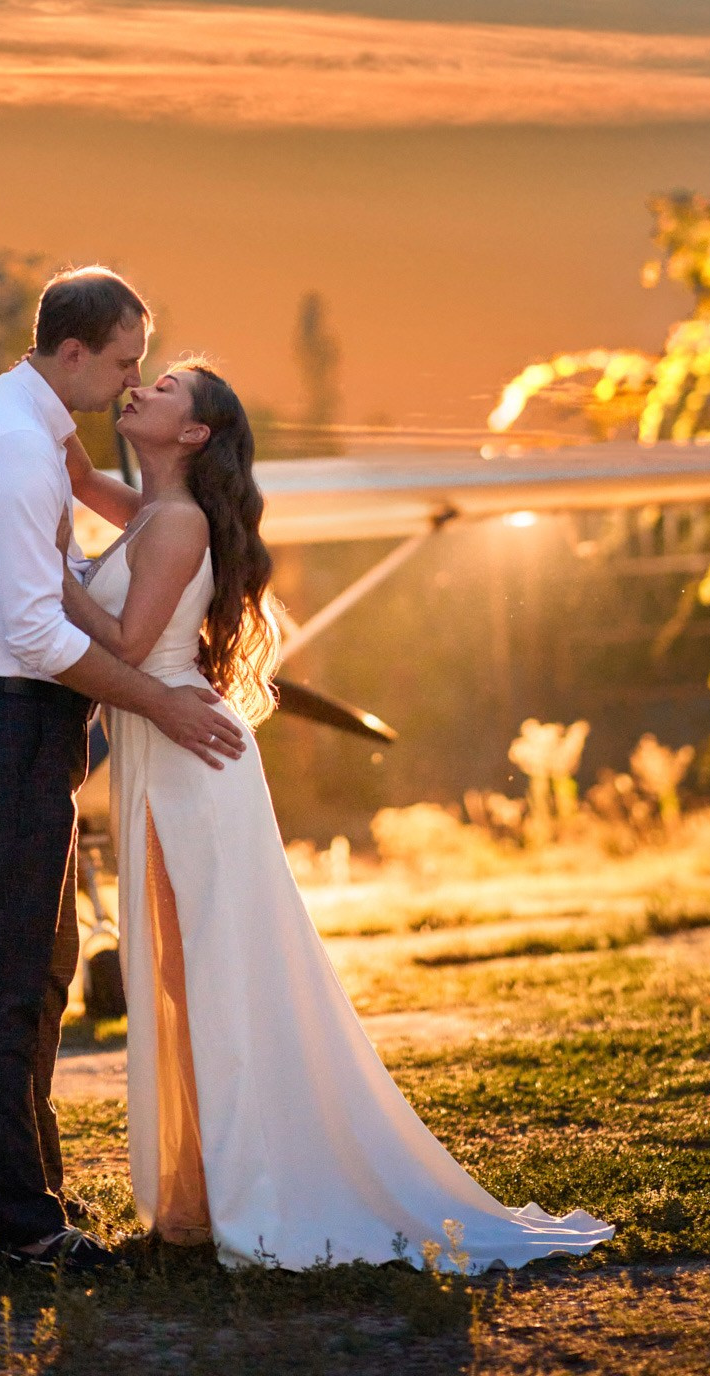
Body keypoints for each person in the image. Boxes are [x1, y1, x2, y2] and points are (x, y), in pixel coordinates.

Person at [61, 359, 614, 1274]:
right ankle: (204, 1188)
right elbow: (101, 497)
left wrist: (43, 574)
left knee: (206, 972)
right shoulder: (159, 514)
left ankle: (245, 1188)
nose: (141, 389)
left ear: (193, 435)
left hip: (186, 759)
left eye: (163, 388)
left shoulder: (182, 522)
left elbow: (119, 642)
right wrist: (66, 471)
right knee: (180, 974)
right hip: (171, 752)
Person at [0, 267, 244, 1272]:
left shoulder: (29, 425)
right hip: (6, 720)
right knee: (7, 986)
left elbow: (89, 516)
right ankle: (25, 1231)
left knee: (44, 973)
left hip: (23, 726)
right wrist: (156, 700)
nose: (128, 383)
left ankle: (40, 1209)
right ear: (71, 354)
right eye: (121, 363)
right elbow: (31, 628)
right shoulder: (18, 448)